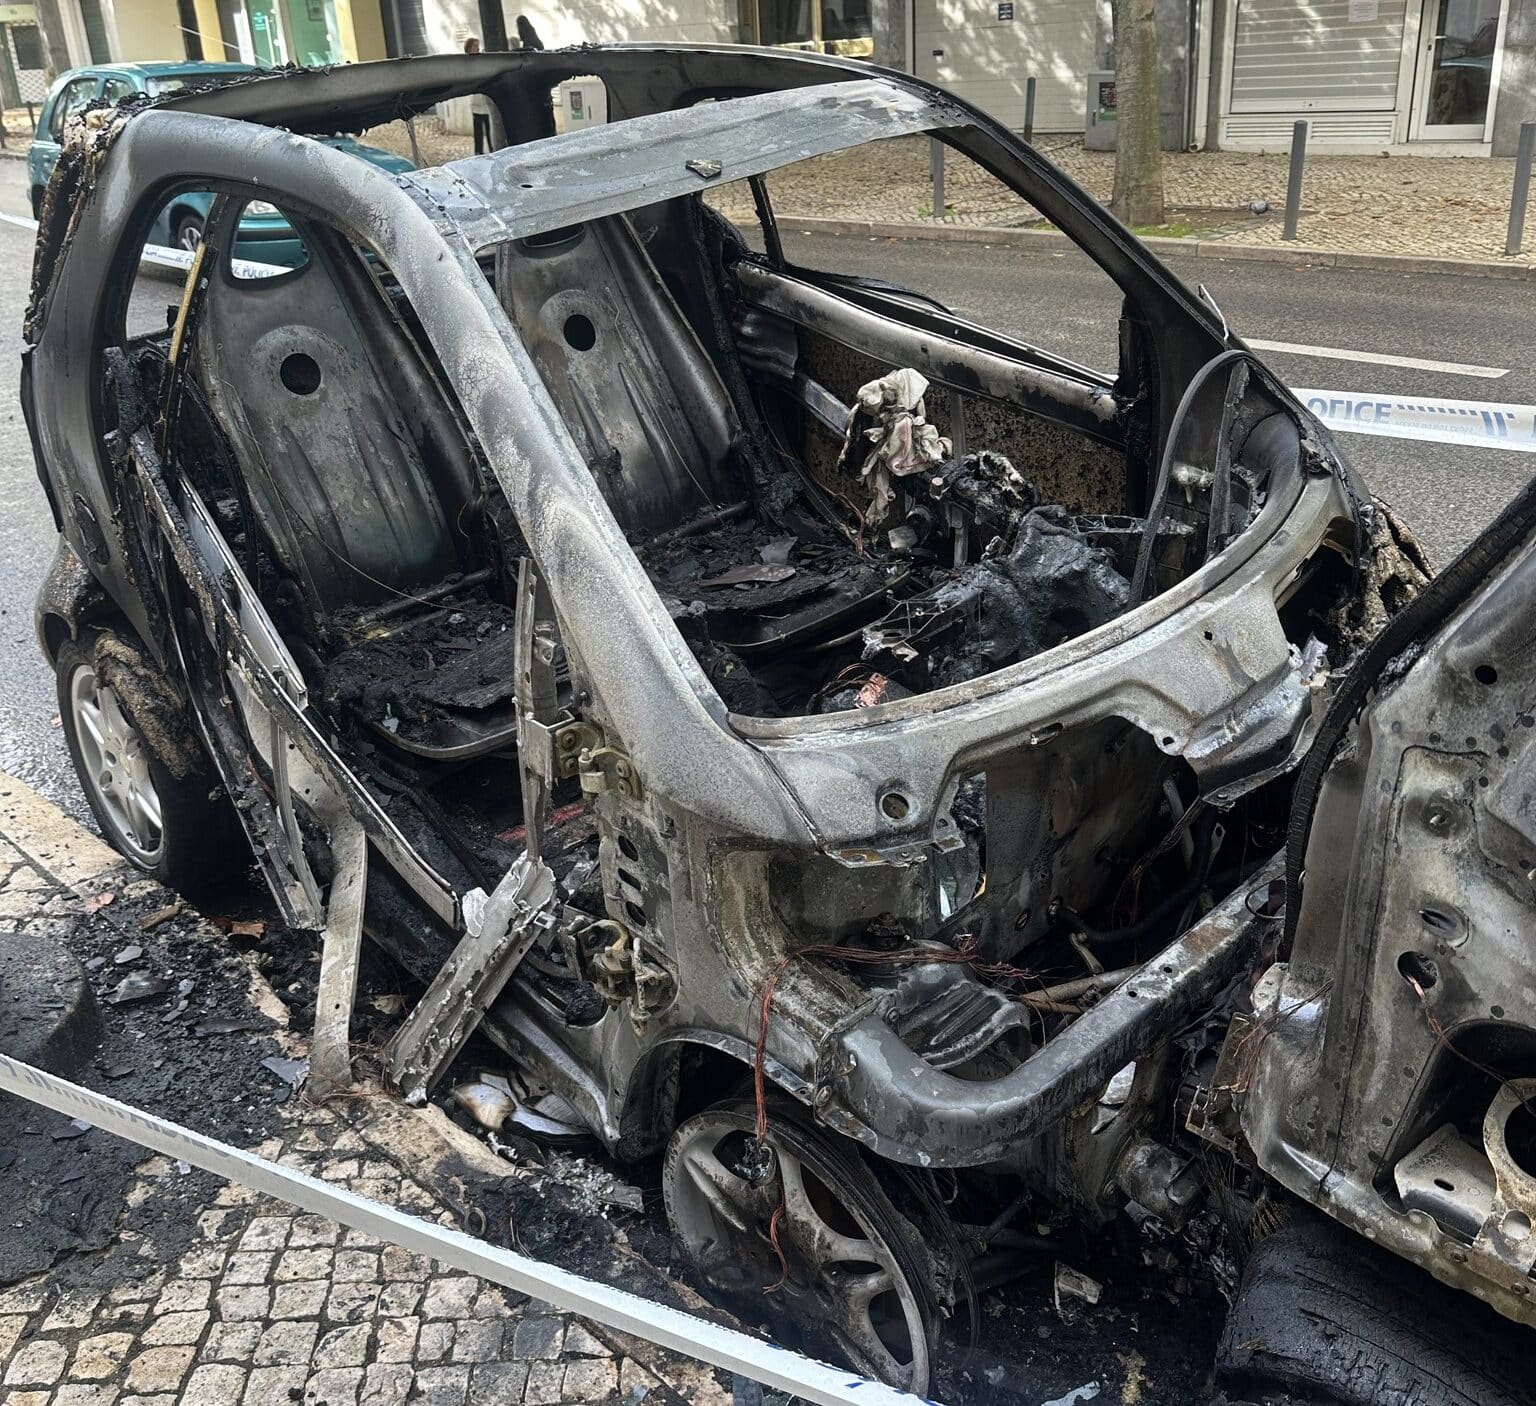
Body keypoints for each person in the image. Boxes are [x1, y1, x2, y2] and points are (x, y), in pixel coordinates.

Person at [465, 36, 493, 153]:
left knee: (489, 128)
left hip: (485, 100)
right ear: (469, 48)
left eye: (478, 45)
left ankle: (492, 148)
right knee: (478, 130)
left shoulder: (482, 59)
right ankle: (478, 151)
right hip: (476, 101)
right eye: (475, 46)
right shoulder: (466, 61)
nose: (477, 48)